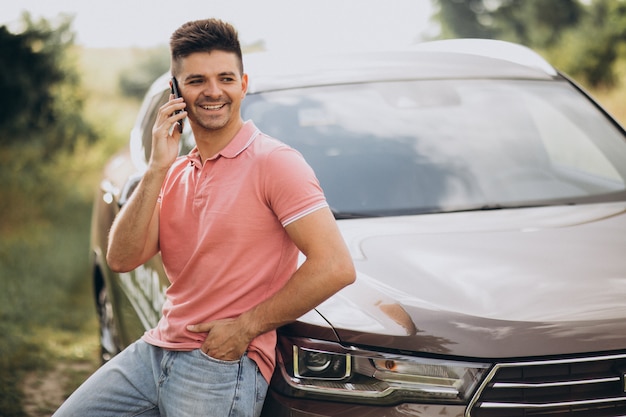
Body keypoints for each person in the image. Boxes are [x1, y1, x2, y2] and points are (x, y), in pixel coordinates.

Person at [53, 18, 355, 417]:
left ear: (243, 85)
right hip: (156, 349)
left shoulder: (275, 163)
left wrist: (245, 328)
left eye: (225, 78)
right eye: (197, 81)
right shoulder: (175, 173)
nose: (214, 91)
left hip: (218, 363)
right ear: (175, 92)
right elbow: (121, 259)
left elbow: (335, 266)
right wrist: (157, 168)